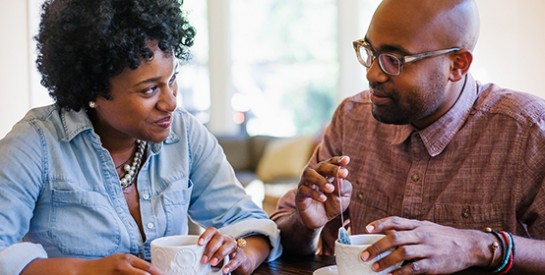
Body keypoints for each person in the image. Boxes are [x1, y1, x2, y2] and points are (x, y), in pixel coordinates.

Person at [0, 0, 281, 274]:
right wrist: (85, 270)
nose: (170, 102)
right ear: (93, 89)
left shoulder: (184, 134)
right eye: (149, 90)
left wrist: (241, 251)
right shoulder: (35, 142)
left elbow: (249, 221)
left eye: (171, 79)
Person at [272, 0, 545, 274]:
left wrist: (478, 246)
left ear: (457, 65)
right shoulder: (352, 119)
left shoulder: (526, 131)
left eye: (395, 60)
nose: (372, 73)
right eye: (371, 51)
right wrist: (308, 224)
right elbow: (285, 238)